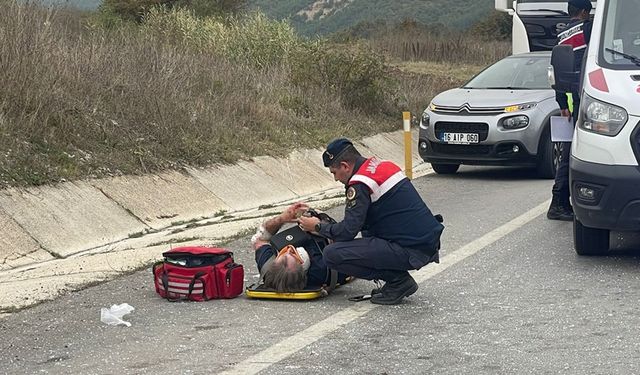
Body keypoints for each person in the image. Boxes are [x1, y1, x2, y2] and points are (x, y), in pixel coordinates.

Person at [298, 138, 444, 305]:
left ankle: (398, 281)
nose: (335, 179)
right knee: (367, 230)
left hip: (411, 250)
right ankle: (397, 280)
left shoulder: (360, 184)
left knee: (332, 254)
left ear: (345, 166)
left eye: (334, 172)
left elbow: (347, 232)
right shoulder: (380, 165)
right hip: (424, 242)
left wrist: (317, 226)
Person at [547, 0, 593, 221]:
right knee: (572, 157)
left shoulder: (562, 34)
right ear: (584, 12)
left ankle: (560, 202)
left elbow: (554, 71)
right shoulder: (588, 29)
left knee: (566, 155)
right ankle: (559, 203)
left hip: (569, 102)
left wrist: (562, 104)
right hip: (584, 101)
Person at [252, 202, 349, 292]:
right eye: (293, 254)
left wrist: (282, 219)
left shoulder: (269, 269)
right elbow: (346, 241)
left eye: (283, 252)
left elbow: (259, 239)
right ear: (303, 267)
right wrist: (320, 226)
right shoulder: (322, 269)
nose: (289, 248)